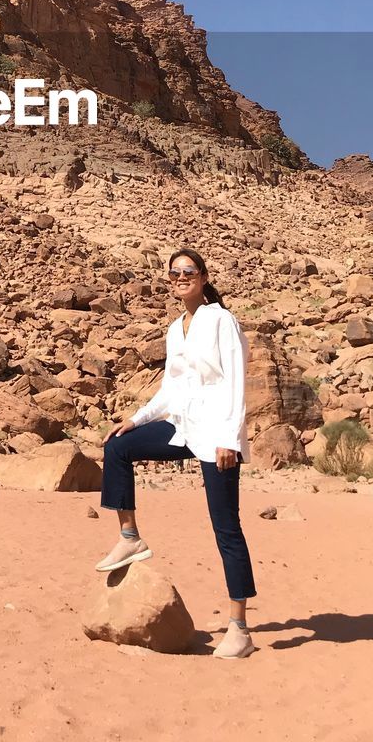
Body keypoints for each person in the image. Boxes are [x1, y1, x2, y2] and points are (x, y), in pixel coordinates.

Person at [96, 248, 257, 659]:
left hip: (215, 434)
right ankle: (129, 536)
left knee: (226, 528)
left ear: (203, 277)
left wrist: (230, 440)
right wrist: (138, 418)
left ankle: (239, 628)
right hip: (182, 427)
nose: (181, 277)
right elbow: (171, 389)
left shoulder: (221, 319)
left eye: (188, 271)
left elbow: (235, 382)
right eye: (174, 273)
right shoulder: (174, 329)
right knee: (117, 446)